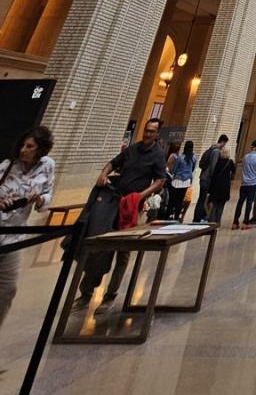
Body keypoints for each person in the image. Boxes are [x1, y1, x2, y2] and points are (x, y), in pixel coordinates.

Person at [75, 117, 167, 312]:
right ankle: (86, 292)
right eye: (146, 130)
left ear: (158, 134)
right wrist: (103, 173)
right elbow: (113, 162)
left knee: (123, 253)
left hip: (132, 208)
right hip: (114, 204)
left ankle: (110, 295)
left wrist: (139, 196)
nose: (148, 133)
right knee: (100, 247)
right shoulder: (133, 149)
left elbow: (160, 180)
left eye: (152, 131)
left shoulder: (158, 155)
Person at [0, 125, 55, 330]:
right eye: (23, 145)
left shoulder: (47, 166)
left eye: (30, 146)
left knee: (7, 289)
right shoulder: (7, 166)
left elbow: (48, 196)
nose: (24, 149)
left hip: (14, 236)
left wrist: (40, 199)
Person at [194, 134, 228, 222]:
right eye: (225, 143)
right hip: (207, 178)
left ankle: (199, 216)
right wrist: (215, 178)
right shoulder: (216, 151)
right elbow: (213, 166)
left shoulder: (211, 148)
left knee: (202, 198)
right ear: (223, 142)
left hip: (203, 176)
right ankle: (199, 218)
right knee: (203, 199)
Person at [233, 140, 256, 229]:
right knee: (249, 203)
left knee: (240, 202)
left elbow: (243, 167)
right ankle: (245, 222)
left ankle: (235, 222)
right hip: (252, 184)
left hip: (244, 183)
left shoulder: (245, 157)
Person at [205, 144, 235, 227]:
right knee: (221, 206)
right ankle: (218, 222)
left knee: (214, 205)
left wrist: (210, 189)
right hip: (225, 186)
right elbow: (234, 171)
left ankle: (212, 221)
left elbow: (214, 175)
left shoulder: (218, 162)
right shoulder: (230, 162)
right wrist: (231, 180)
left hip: (216, 186)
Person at [167, 140, 195, 221]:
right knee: (180, 200)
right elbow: (192, 169)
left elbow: (174, 169)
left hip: (177, 181)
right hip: (186, 181)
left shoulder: (180, 157)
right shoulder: (193, 158)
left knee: (172, 200)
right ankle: (176, 218)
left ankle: (168, 216)